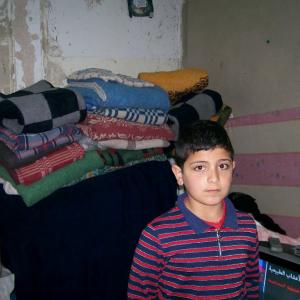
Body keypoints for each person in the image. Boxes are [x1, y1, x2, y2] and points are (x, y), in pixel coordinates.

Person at [127, 120, 259, 299]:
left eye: (222, 166)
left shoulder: (248, 227)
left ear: (232, 169)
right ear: (179, 175)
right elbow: (139, 295)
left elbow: (251, 285)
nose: (214, 178)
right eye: (200, 167)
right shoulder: (157, 236)